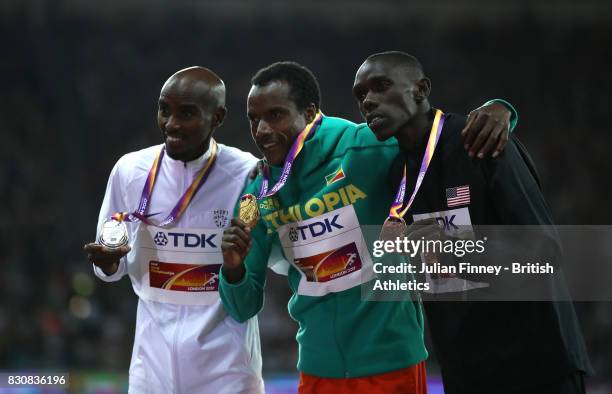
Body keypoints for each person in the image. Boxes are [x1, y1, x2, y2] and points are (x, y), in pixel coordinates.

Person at [218, 61, 517, 393]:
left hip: (392, 363)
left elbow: (441, 139)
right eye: (253, 119)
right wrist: (232, 269)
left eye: (275, 115)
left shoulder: (366, 146)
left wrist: (502, 110)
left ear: (310, 111)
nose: (261, 131)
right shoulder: (256, 193)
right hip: (316, 370)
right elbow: (242, 306)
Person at [351, 51, 592, 394]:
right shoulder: (396, 174)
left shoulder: (480, 138)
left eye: (381, 86)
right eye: (361, 95)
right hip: (466, 370)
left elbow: (544, 251)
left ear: (420, 89)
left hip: (536, 365)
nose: (369, 101)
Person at [83, 67, 264, 394]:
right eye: (164, 109)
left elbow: (260, 271)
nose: (172, 123)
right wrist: (108, 262)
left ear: (217, 116)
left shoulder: (247, 173)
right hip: (151, 370)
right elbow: (112, 266)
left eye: (187, 113)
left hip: (227, 372)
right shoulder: (130, 171)